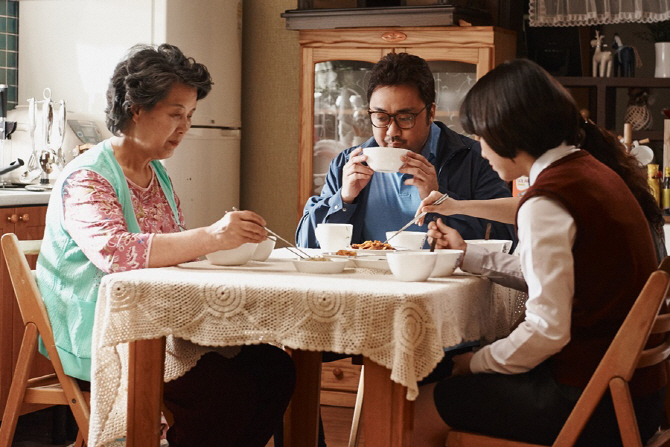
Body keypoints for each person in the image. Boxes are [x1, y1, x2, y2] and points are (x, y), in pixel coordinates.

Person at [36, 44, 295, 447]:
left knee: (274, 366)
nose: (185, 127)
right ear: (135, 108)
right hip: (103, 330)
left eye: (190, 116)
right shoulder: (87, 177)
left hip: (155, 321)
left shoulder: (156, 172)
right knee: (225, 389)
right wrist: (213, 237)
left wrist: (220, 246)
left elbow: (172, 249)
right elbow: (116, 254)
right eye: (176, 114)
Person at [410, 59, 666, 447]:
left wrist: (474, 362)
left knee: (425, 401)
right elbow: (554, 275)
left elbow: (547, 330)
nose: (481, 152)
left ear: (507, 130)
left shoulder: (547, 200)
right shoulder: (594, 173)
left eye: (481, 138)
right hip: (637, 397)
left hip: (589, 401)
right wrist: (466, 254)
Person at [295, 52, 516, 249]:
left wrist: (442, 200)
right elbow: (305, 245)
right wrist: (344, 199)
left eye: (405, 118)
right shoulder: (348, 163)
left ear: (430, 113)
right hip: (368, 285)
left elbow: (506, 240)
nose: (392, 132)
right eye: (381, 118)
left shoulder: (473, 158)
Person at [419, 128, 667, 264]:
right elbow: (536, 270)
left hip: (598, 348)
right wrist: (454, 209)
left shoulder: (573, 195)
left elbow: (548, 323)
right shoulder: (612, 194)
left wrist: (481, 361)